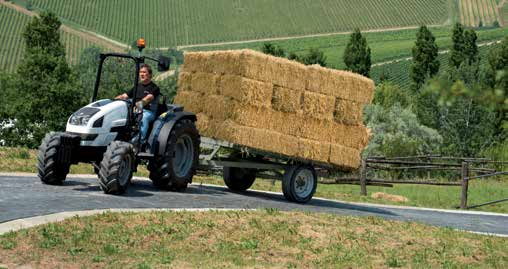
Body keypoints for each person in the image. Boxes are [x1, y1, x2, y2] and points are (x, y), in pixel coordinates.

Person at [116, 64, 160, 145]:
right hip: (136, 109)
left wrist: (137, 107)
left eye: (144, 72)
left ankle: (140, 141)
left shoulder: (154, 87)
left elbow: (147, 99)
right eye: (140, 72)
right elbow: (125, 96)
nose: (141, 74)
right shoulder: (137, 86)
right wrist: (115, 100)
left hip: (148, 112)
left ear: (150, 74)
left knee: (143, 118)